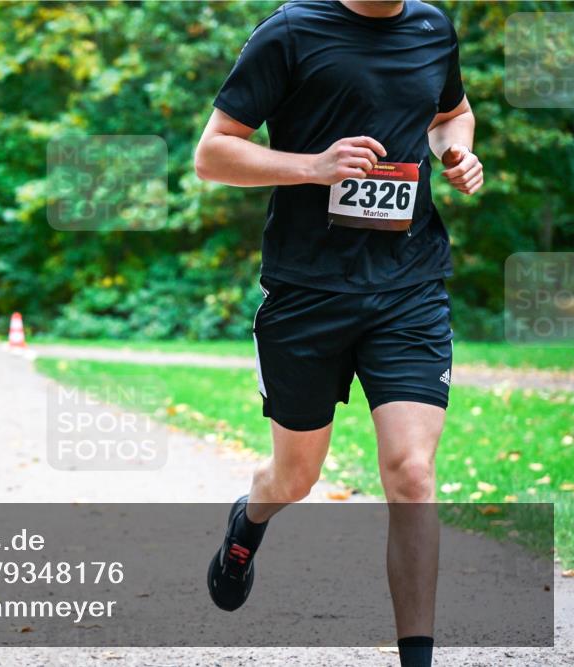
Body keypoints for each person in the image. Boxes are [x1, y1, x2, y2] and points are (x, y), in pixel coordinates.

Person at [193, 2, 482, 666]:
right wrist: (313, 166)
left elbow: (449, 114)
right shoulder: (292, 31)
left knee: (412, 471)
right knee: (295, 476)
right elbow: (212, 154)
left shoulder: (433, 29)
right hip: (306, 292)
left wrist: (458, 150)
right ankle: (251, 517)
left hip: (407, 287)